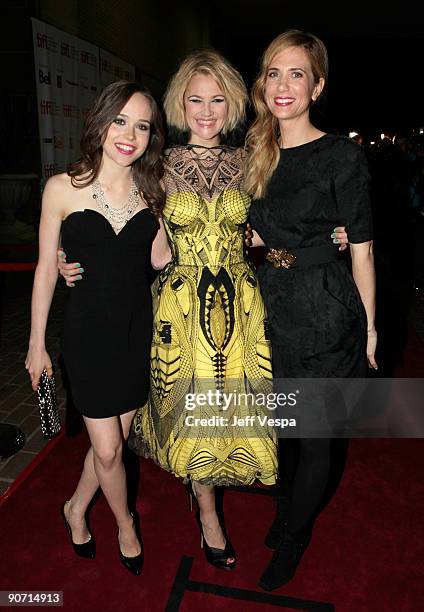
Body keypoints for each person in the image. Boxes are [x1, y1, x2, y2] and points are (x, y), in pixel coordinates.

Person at [58, 53, 349, 571]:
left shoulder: (252, 161)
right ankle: (208, 514)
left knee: (220, 419)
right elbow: (121, 228)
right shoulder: (156, 165)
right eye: (196, 99)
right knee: (178, 424)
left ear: (234, 103)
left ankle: (196, 506)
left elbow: (284, 221)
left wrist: (333, 234)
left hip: (241, 302)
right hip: (180, 307)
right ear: (179, 104)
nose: (207, 111)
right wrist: (72, 261)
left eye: (217, 99)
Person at [244, 30, 377, 590]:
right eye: (274, 72)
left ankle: (296, 535)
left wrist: (370, 327)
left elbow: (364, 247)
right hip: (268, 306)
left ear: (317, 86)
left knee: (316, 432)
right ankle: (287, 510)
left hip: (323, 307)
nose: (283, 85)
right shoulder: (255, 151)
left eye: (297, 74)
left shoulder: (341, 156)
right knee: (282, 428)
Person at [25, 80, 170, 576]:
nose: (129, 134)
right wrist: (35, 345)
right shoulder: (61, 188)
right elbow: (47, 268)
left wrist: (165, 213)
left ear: (153, 136)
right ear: (101, 122)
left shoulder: (152, 191)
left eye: (143, 125)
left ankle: (74, 508)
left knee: (110, 448)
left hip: (135, 334)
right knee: (109, 449)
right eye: (120, 120)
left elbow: (159, 260)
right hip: (87, 337)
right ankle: (125, 524)